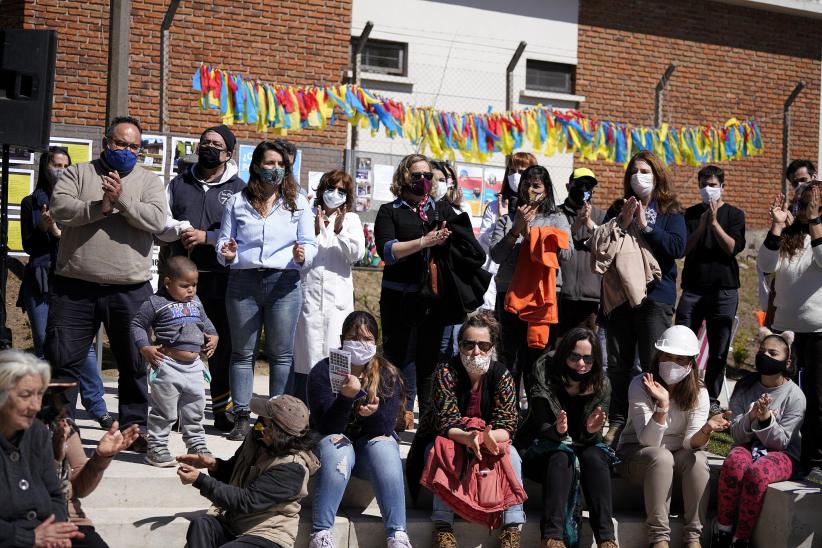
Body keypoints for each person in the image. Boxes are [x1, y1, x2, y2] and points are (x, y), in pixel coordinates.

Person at [46, 116, 167, 453]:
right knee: (63, 362)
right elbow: (61, 209)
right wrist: (102, 206)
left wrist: (123, 201)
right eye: (120, 143)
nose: (126, 151)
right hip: (75, 287)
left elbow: (157, 219)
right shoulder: (78, 172)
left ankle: (133, 430)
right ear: (105, 141)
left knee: (133, 363)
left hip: (130, 290)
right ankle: (61, 430)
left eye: (133, 147)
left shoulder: (149, 181)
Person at [216, 140, 317, 441]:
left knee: (281, 355)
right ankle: (242, 416)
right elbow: (223, 243)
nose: (274, 169)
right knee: (242, 352)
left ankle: (278, 419)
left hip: (284, 283)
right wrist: (228, 251)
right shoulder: (236, 201)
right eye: (269, 163)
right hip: (243, 283)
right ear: (257, 165)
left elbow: (309, 243)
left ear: (287, 168)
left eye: (280, 164)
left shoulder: (298, 202)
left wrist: (304, 256)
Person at [407, 311, 524, 548]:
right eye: (468, 344)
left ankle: (512, 528)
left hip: (490, 437)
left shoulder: (502, 375)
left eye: (483, 345)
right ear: (459, 345)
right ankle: (443, 526)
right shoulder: (446, 372)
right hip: (450, 436)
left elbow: (508, 423)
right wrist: (470, 438)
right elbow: (446, 423)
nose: (476, 351)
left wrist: (484, 437)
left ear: (492, 347)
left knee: (512, 456)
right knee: (441, 450)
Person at [157, 124, 246, 432]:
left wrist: (207, 237)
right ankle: (175, 412)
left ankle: (222, 411)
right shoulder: (177, 183)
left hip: (220, 280)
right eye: (204, 141)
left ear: (228, 153)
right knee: (176, 344)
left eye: (215, 144)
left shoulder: (238, 188)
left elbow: (245, 232)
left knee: (218, 348)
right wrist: (179, 229)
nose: (207, 146)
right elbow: (161, 221)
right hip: (178, 281)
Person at [18, 146, 111, 430]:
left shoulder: (78, 200)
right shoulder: (32, 202)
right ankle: (50, 410)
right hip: (40, 278)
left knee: (79, 348)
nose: (59, 169)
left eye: (64, 165)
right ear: (45, 166)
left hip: (71, 278)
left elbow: (82, 241)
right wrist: (44, 230)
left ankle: (98, 407)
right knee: (47, 346)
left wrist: (57, 232)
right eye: (54, 164)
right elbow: (29, 246)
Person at [617, 325, 730, 548]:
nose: (672, 363)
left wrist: (706, 429)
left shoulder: (700, 391)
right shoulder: (640, 385)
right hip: (636, 455)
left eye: (680, 359)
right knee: (661, 457)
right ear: (658, 356)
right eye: (667, 356)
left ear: (691, 363)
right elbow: (648, 442)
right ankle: (658, 538)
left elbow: (690, 443)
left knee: (699, 460)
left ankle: (693, 537)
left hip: (677, 456)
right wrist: (663, 405)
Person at [602, 151, 686, 446]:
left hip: (655, 299)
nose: (639, 176)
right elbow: (603, 245)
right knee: (618, 365)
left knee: (654, 363)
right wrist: (621, 222)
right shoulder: (618, 206)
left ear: (657, 175)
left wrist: (647, 226)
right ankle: (616, 422)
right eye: (634, 171)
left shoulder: (670, 211)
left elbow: (677, 247)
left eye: (645, 171)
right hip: (622, 297)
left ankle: (653, 421)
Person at [307, 311, 411, 548]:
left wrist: (373, 414)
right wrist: (345, 398)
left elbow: (386, 428)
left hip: (368, 455)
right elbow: (325, 426)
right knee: (338, 445)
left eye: (367, 339)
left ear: (376, 342)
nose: (360, 344)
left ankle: (398, 534)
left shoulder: (386, 373)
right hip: (332, 451)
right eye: (354, 338)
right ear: (342, 338)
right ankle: (321, 533)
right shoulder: (322, 371)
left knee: (385, 446)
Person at [374, 153, 457, 428]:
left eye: (427, 176)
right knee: (398, 359)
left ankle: (429, 422)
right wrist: (423, 241)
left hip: (432, 299)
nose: (423, 181)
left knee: (429, 362)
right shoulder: (390, 211)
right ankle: (397, 415)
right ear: (404, 177)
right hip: (399, 297)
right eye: (416, 175)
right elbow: (388, 250)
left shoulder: (441, 211)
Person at [518, 327, 617, 548]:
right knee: (561, 457)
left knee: (595, 458)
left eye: (588, 359)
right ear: (564, 354)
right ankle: (552, 537)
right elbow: (541, 424)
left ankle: (607, 538)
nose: (581, 364)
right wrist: (559, 431)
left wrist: (591, 431)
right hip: (542, 447)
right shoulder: (544, 370)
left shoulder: (601, 383)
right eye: (575, 357)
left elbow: (592, 440)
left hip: (582, 447)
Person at [178, 395, 319, 548]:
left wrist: (200, 480)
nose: (259, 426)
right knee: (202, 525)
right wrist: (214, 464)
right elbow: (233, 474)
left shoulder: (292, 468)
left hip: (267, 535)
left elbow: (246, 501)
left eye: (266, 423)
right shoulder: (257, 439)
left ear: (279, 432)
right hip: (236, 525)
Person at [712, 330, 805, 548]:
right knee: (735, 462)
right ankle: (723, 531)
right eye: (762, 351)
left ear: (787, 361)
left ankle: (741, 539)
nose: (766, 356)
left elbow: (781, 443)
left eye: (773, 353)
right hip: (746, 446)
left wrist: (765, 421)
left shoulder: (795, 396)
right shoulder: (744, 387)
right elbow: (735, 434)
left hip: (783, 455)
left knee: (757, 473)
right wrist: (751, 417)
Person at [756, 182, 822, 482]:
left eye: (813, 204)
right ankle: (779, 451)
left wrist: (816, 222)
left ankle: (813, 461)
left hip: (817, 332)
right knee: (780, 396)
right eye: (804, 203)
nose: (805, 209)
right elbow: (765, 264)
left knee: (815, 399)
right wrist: (777, 226)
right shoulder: (789, 238)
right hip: (785, 332)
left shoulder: (819, 235)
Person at [489, 164, 573, 395]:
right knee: (510, 357)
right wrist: (515, 231)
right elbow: (496, 255)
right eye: (526, 184)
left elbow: (567, 254)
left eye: (536, 185)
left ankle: (536, 416)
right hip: (510, 295)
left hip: (543, 295)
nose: (530, 189)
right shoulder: (508, 220)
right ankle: (508, 413)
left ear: (546, 190)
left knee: (538, 359)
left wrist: (538, 237)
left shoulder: (557, 218)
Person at [131, 256, 218, 467]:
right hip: (167, 365)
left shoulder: (196, 302)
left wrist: (214, 335)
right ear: (167, 282)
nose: (191, 290)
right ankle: (157, 447)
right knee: (165, 411)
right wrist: (145, 347)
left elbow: (205, 322)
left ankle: (196, 446)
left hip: (194, 366)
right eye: (185, 285)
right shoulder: (156, 302)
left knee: (195, 409)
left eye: (195, 285)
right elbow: (137, 324)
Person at [676, 165, 746, 414]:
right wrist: (703, 224)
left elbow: (732, 248)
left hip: (724, 290)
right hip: (693, 289)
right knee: (683, 342)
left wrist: (715, 224)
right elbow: (683, 249)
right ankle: (682, 391)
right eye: (704, 184)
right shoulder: (690, 214)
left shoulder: (735, 215)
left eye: (713, 185)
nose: (708, 189)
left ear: (722, 187)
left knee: (718, 348)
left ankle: (712, 399)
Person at [292, 171, 365, 402]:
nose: (335, 194)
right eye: (331, 188)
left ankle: (331, 407)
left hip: (337, 301)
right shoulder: (305, 214)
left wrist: (339, 229)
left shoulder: (351, 219)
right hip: (309, 296)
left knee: (335, 357)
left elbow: (357, 254)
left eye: (342, 191)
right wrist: (314, 230)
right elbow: (297, 254)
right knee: (305, 355)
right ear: (322, 190)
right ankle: (303, 407)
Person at [39, 383, 140, 548]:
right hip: (27, 526)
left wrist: (100, 458)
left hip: (70, 520)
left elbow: (79, 488)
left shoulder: (58, 424)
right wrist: (56, 462)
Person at [0, 350, 84, 547]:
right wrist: (29, 539)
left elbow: (55, 494)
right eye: (26, 395)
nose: (36, 406)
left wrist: (58, 531)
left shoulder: (36, 432)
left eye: (40, 394)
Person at [478, 152, 538, 311]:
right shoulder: (494, 205)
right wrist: (501, 220)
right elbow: (484, 243)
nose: (515, 176)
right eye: (512, 171)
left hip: (523, 279)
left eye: (521, 171)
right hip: (496, 279)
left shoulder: (536, 208)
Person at [556, 168, 606, 337]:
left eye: (589, 186)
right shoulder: (556, 214)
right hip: (561, 295)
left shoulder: (601, 216)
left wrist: (589, 223)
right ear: (568, 186)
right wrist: (576, 226)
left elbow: (608, 247)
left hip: (590, 297)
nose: (584, 190)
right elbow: (552, 247)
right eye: (580, 184)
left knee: (586, 346)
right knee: (559, 346)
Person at [431, 160, 464, 360]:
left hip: (449, 290)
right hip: (425, 291)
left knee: (448, 346)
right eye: (434, 179)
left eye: (444, 180)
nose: (439, 184)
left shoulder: (456, 212)